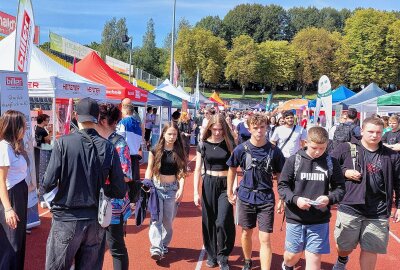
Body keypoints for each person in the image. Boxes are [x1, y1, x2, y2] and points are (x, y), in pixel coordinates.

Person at [40, 98, 126, 270]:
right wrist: (101, 188)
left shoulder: (63, 142)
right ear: (97, 117)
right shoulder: (108, 147)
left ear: (75, 115)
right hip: (95, 220)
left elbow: (47, 183)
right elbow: (119, 189)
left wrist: (63, 191)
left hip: (67, 218)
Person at [330, 117, 400, 270]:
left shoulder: (392, 156)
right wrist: (344, 172)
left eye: (378, 132)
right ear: (361, 130)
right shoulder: (345, 148)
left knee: (370, 249)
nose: (374, 135)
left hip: (378, 210)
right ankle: (342, 259)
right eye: (370, 132)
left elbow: (398, 182)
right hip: (351, 206)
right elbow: (328, 167)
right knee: (344, 246)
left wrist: (399, 206)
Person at [278, 127, 346, 270]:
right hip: (295, 217)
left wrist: (329, 198)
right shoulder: (293, 160)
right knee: (292, 256)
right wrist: (296, 200)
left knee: (314, 259)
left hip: (319, 219)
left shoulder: (331, 163)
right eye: (314, 147)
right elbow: (282, 187)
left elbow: (340, 189)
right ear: (306, 143)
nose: (318, 151)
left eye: (322, 148)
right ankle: (287, 265)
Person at [227, 113, 285, 270]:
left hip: (266, 198)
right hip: (245, 197)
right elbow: (232, 169)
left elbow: (281, 175)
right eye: (256, 128)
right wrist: (229, 191)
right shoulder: (241, 149)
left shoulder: (274, 151)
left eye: (262, 127)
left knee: (265, 237)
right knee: (246, 233)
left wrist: (282, 197)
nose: (259, 131)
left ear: (267, 128)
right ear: (249, 128)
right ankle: (247, 260)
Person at [193, 114, 236, 270]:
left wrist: (233, 189)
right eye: (215, 129)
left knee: (223, 221)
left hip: (226, 184)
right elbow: (197, 169)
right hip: (209, 183)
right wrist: (195, 192)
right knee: (209, 220)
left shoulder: (230, 143)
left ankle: (223, 255)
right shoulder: (202, 144)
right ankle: (212, 255)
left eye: (220, 129)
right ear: (209, 128)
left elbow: (234, 168)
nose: (218, 132)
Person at [144, 122, 187, 261]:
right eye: (169, 134)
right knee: (156, 219)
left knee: (168, 221)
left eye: (175, 134)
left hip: (172, 190)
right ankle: (156, 247)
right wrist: (147, 184)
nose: (172, 137)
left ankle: (163, 243)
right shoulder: (155, 150)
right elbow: (149, 168)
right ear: (163, 134)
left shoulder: (179, 151)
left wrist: (181, 188)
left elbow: (181, 171)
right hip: (157, 188)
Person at [97, 104, 132, 270]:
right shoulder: (95, 141)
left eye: (96, 120)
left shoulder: (119, 143)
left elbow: (125, 176)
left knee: (115, 246)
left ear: (103, 121)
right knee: (93, 247)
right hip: (95, 200)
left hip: (112, 203)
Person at [0, 110, 29, 270]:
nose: (25, 130)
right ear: (13, 127)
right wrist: (8, 209)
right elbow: (0, 182)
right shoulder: (3, 147)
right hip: (11, 197)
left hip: (19, 194)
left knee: (18, 241)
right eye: (22, 127)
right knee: (11, 244)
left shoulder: (14, 147)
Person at [117, 104, 142, 186]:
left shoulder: (123, 122)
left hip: (125, 157)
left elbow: (119, 139)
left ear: (126, 111)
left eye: (122, 112)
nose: (121, 113)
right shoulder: (138, 124)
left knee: (124, 183)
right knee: (134, 184)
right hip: (135, 155)